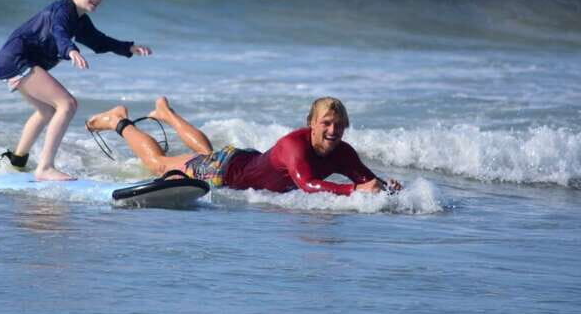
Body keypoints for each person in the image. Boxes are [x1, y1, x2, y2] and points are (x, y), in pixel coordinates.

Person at [0, 0, 153, 181]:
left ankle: (17, 160)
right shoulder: (63, 10)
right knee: (67, 104)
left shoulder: (80, 20)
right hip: (17, 59)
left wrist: (128, 48)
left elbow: (99, 41)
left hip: (14, 61)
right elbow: (58, 31)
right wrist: (70, 50)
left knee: (47, 111)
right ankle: (45, 168)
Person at [86, 96, 402, 195]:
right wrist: (353, 192)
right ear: (311, 123)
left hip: (240, 161)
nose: (333, 130)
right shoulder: (295, 145)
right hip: (224, 172)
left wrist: (388, 188)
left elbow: (364, 178)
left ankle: (167, 114)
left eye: (339, 125)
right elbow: (307, 184)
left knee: (205, 152)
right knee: (159, 163)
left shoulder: (343, 151)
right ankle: (118, 120)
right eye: (326, 123)